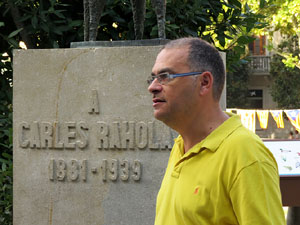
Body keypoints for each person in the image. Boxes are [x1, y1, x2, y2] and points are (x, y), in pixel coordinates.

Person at [147, 37, 285, 225]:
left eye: (166, 77)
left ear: (204, 82)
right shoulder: (181, 146)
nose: (152, 87)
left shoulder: (246, 154)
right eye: (153, 77)